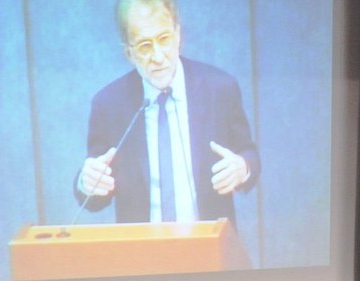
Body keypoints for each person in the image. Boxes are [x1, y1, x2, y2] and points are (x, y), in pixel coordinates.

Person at [77, 0, 260, 225]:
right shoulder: (109, 105)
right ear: (129, 53)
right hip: (141, 253)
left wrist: (242, 168)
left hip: (209, 247)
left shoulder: (220, 89)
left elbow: (248, 153)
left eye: (164, 39)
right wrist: (87, 182)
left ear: (178, 36)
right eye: (145, 45)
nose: (158, 56)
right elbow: (95, 195)